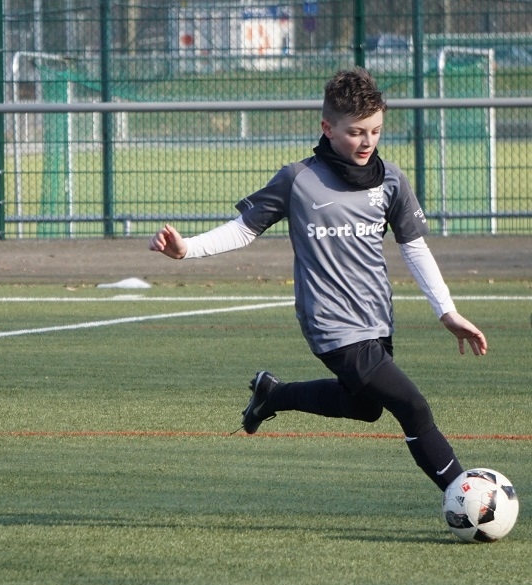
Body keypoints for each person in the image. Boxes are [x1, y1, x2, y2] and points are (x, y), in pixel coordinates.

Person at [149, 67, 487, 493]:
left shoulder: (391, 180)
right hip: (331, 324)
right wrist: (186, 249)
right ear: (327, 128)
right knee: (413, 407)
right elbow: (244, 229)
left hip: (376, 320)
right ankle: (468, 497)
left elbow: (414, 247)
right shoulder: (298, 179)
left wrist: (446, 312)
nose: (367, 142)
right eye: (356, 132)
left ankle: (273, 395)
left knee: (365, 408)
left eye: (376, 131)